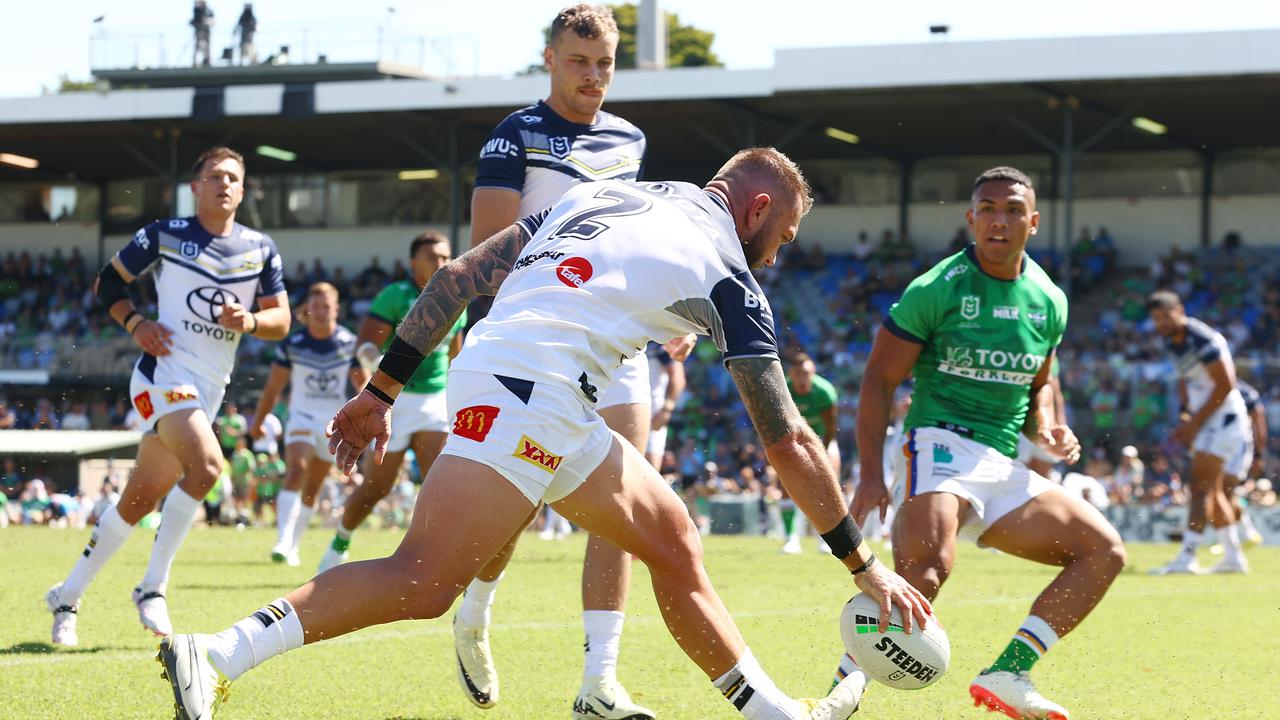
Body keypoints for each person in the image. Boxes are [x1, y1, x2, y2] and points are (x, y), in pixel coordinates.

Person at [158, 147, 930, 720]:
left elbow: (459, 277)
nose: (778, 253)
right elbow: (788, 439)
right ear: (757, 212)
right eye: (783, 237)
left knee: (671, 537)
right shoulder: (727, 267)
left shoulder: (603, 197)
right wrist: (864, 567)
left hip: (523, 381)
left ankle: (771, 714)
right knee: (422, 581)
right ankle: (219, 652)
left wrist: (381, 388)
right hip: (534, 393)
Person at [849, 166, 1126, 720]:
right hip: (938, 444)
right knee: (926, 571)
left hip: (1001, 462)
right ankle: (843, 694)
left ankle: (1009, 672)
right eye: (989, 209)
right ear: (971, 219)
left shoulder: (1049, 300)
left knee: (1104, 551)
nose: (1000, 220)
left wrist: (1048, 425)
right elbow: (879, 379)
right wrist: (873, 476)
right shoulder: (937, 288)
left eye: (1013, 210)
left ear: (1034, 221)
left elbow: (1040, 385)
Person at [458, 6, 654, 716]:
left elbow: (629, 243)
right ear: (550, 59)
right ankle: (476, 605)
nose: (594, 76)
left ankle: (598, 682)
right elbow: (485, 253)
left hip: (617, 344)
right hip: (533, 343)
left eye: (605, 63)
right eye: (580, 62)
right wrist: (487, 347)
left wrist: (667, 320)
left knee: (625, 506)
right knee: (518, 503)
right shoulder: (515, 135)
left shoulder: (631, 139)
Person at [45, 145, 288, 647]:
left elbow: (281, 319)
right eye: (214, 176)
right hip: (162, 373)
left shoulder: (260, 248)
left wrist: (252, 321)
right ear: (195, 187)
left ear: (243, 191)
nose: (224, 184)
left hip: (209, 389)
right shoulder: (165, 235)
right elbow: (108, 281)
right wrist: (136, 323)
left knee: (137, 501)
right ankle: (152, 587)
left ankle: (66, 597)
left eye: (233, 178)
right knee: (208, 468)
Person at [316, 232, 463, 572]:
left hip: (435, 401)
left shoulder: (458, 296)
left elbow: (456, 352)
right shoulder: (394, 296)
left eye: (445, 256)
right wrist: (372, 370)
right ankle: (339, 541)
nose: (440, 263)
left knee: (440, 481)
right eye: (431, 257)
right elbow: (366, 344)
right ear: (413, 262)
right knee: (376, 489)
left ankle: (436, 556)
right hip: (395, 401)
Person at [249, 282, 362, 566]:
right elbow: (274, 386)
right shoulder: (293, 344)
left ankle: (293, 545)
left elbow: (364, 388)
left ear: (336, 309)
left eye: (327, 306)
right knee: (296, 469)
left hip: (332, 423)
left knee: (312, 488)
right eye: (316, 306)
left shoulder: (349, 344)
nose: (321, 312)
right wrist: (259, 421)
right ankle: (282, 540)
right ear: (307, 310)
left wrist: (362, 429)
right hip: (299, 416)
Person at [1146, 290, 1252, 575]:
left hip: (1223, 419)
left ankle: (1187, 557)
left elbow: (1226, 384)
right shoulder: (1171, 341)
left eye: (1166, 316)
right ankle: (1233, 558)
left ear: (1180, 310)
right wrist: (1185, 413)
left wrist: (1193, 423)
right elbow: (1185, 379)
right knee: (1213, 493)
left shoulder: (1203, 339)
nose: (1162, 322)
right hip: (1206, 420)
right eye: (1156, 318)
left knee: (1200, 488)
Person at [782, 352, 838, 554]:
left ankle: (828, 540)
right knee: (785, 483)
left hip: (821, 438)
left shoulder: (824, 391)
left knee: (829, 485)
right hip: (791, 439)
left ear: (813, 373)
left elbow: (831, 426)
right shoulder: (782, 389)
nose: (802, 378)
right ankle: (791, 538)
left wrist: (823, 451)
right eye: (798, 374)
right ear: (791, 374)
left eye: (806, 373)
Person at [1207, 379, 1267, 565]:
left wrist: (1259, 453)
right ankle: (1243, 533)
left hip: (1238, 444)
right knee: (1225, 491)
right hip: (1227, 444)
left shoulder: (1244, 392)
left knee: (1221, 490)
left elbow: (1258, 420)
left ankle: (1233, 540)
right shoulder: (1232, 388)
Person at [1015, 357, 1065, 478]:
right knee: (1018, 473)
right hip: (1019, 425)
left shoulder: (1050, 357)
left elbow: (1056, 393)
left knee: (1043, 477)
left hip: (1046, 428)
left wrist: (1062, 424)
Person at [191, 1, 215, 67]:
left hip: (206, 33)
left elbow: (213, 22)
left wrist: (207, 22)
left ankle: (207, 62)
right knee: (197, 48)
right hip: (198, 32)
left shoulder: (209, 11)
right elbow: (194, 21)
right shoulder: (197, 10)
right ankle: (195, 63)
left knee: (206, 49)